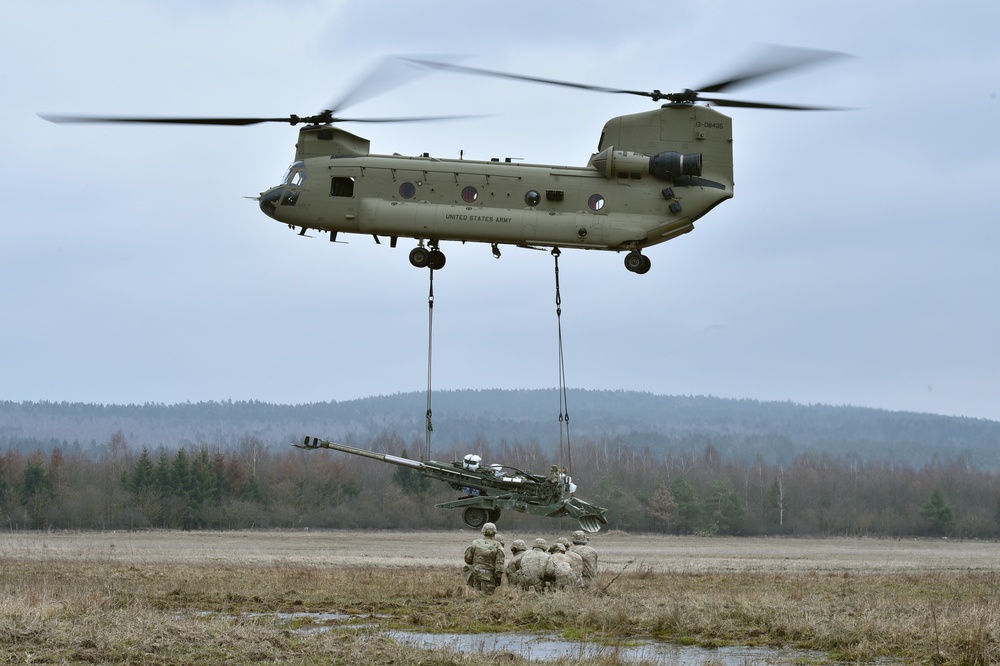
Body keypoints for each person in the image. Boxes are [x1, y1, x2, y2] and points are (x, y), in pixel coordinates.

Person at [463, 522, 505, 594]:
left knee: (476, 591)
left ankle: (471, 595)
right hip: (489, 575)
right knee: (488, 594)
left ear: (483, 531)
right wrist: (498, 576)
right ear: (494, 532)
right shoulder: (497, 545)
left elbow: (468, 558)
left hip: (475, 573)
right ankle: (470, 595)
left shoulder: (475, 543)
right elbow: (500, 562)